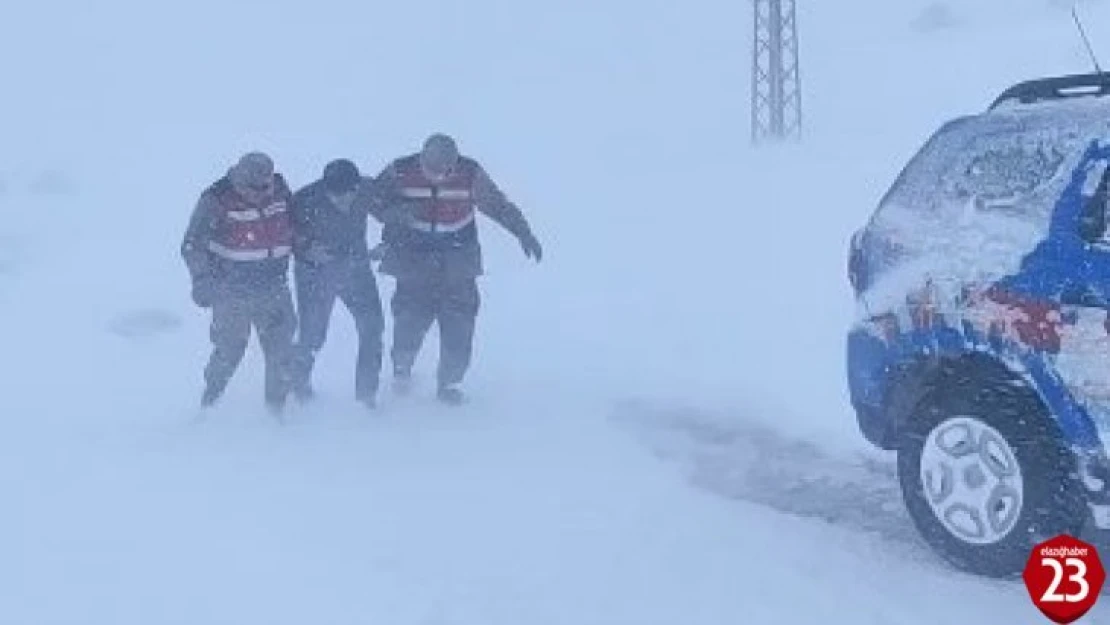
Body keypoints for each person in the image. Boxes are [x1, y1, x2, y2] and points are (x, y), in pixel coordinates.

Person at [371, 133, 543, 405]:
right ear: (422, 158)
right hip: (413, 259)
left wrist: (523, 232)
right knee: (409, 320)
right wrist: (398, 215)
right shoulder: (400, 171)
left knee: (459, 325)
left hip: (458, 261)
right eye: (434, 170)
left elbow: (497, 204)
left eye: (447, 170)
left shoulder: (469, 173)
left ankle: (449, 382)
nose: (441, 175)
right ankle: (402, 369)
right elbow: (374, 200)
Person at [181, 152, 297, 416]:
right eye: (253, 188)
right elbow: (192, 246)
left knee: (282, 349)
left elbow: (293, 223)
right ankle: (210, 403)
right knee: (229, 351)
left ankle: (276, 411)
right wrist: (201, 280)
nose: (260, 194)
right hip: (231, 291)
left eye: (264, 187)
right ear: (240, 179)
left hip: (274, 287)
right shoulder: (216, 199)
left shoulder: (279, 189)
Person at [288, 158, 385, 409]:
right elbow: (285, 232)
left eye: (349, 195)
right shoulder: (303, 200)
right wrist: (307, 248)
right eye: (335, 196)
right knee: (313, 335)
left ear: (357, 187)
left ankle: (367, 394)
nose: (343, 201)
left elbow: (393, 212)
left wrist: (388, 243)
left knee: (372, 328)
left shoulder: (366, 189)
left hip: (357, 269)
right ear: (324, 188)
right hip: (316, 274)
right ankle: (298, 384)